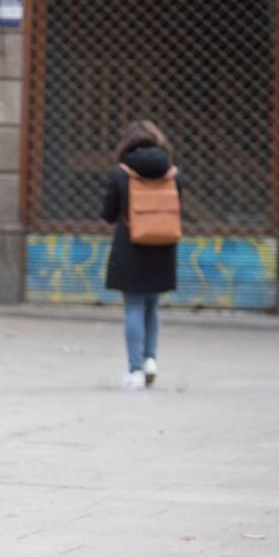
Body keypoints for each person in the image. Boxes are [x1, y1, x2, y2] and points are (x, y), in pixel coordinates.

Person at [101, 120, 182, 390]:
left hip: (131, 248)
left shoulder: (121, 174)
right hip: (163, 247)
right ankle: (150, 360)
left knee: (134, 307)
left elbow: (108, 214)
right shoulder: (172, 174)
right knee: (152, 306)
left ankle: (135, 370)